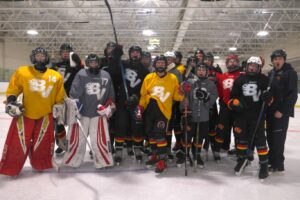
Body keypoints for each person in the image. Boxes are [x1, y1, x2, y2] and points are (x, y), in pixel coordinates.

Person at [0, 47, 65, 176]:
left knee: (43, 144)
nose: (40, 58)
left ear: (46, 58)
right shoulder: (23, 72)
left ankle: (41, 164)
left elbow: (60, 96)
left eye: (42, 56)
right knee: (17, 143)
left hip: (45, 115)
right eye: (37, 56)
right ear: (33, 57)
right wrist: (12, 100)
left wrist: (59, 109)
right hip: (25, 115)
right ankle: (10, 168)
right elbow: (14, 89)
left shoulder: (56, 76)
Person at [63, 53, 115, 168]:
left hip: (98, 113)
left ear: (99, 63)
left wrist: (108, 108)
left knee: (99, 140)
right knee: (77, 140)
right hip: (82, 113)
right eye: (91, 62)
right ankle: (72, 160)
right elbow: (74, 93)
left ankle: (103, 162)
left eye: (95, 62)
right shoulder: (81, 74)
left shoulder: (106, 75)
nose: (93, 64)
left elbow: (111, 95)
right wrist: (75, 108)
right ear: (87, 63)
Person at [138, 55, 184, 173]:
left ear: (165, 65)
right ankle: (155, 155)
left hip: (163, 111)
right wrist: (140, 107)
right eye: (158, 63)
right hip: (149, 109)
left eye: (162, 63)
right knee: (150, 134)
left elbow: (177, 97)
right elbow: (143, 94)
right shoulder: (149, 77)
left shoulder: (172, 78)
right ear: (155, 64)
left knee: (159, 135)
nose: (160, 65)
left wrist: (183, 91)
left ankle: (162, 160)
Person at [228, 56, 270, 180]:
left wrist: (268, 97)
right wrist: (234, 103)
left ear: (259, 68)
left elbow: (270, 98)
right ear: (247, 66)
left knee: (260, 141)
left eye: (255, 66)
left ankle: (264, 165)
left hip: (257, 116)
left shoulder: (264, 80)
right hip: (241, 116)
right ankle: (242, 160)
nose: (252, 67)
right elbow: (232, 98)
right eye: (250, 65)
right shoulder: (240, 79)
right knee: (241, 140)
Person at [176, 63, 218, 168]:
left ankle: (197, 155)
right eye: (199, 69)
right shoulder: (190, 82)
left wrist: (206, 98)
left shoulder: (211, 84)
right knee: (187, 136)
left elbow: (214, 97)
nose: (201, 71)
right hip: (190, 114)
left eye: (203, 70)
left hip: (203, 115)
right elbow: (182, 95)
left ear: (207, 72)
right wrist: (184, 105)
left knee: (199, 138)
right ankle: (185, 154)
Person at [114, 45, 149, 164]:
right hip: (122, 101)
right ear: (129, 54)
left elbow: (146, 89)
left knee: (137, 126)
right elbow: (113, 69)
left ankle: (137, 148)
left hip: (136, 103)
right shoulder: (123, 64)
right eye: (133, 52)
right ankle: (118, 149)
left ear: (140, 54)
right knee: (121, 125)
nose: (135, 54)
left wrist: (137, 97)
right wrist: (116, 53)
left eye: (137, 52)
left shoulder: (145, 70)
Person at [266, 49, 298, 174]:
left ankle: (278, 164)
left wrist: (282, 111)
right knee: (270, 137)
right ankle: (271, 158)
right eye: (275, 59)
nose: (277, 61)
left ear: (284, 59)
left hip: (280, 113)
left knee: (278, 139)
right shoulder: (271, 73)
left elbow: (292, 95)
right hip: (270, 111)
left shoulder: (290, 73)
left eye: (279, 58)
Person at [51, 43, 83, 156]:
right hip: (57, 99)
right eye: (63, 52)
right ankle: (62, 144)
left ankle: (74, 143)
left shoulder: (75, 66)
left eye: (67, 52)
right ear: (60, 53)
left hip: (71, 99)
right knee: (58, 124)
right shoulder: (54, 66)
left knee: (73, 123)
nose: (65, 54)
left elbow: (84, 72)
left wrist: (79, 64)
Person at [213, 54, 242, 161]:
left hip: (238, 108)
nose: (233, 63)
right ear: (227, 63)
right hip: (225, 107)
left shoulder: (242, 75)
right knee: (221, 128)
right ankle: (217, 149)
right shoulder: (222, 76)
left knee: (238, 130)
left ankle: (240, 150)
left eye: (235, 61)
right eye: (230, 61)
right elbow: (220, 92)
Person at [202, 52, 222, 157]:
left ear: (212, 61)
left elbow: (221, 83)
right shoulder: (199, 69)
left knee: (212, 124)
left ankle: (213, 145)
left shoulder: (216, 71)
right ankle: (204, 143)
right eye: (205, 59)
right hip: (200, 101)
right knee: (202, 123)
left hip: (212, 101)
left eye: (209, 59)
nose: (207, 61)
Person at [164, 51, 183, 160]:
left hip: (172, 105)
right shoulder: (159, 70)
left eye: (171, 58)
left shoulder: (177, 72)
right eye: (167, 58)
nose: (169, 60)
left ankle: (168, 149)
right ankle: (160, 147)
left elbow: (179, 89)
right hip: (161, 104)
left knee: (169, 127)